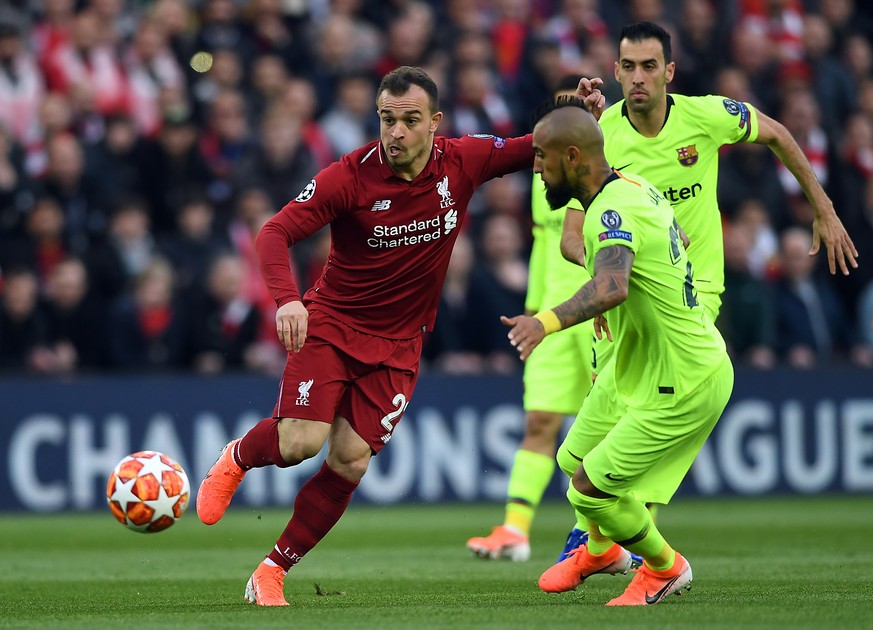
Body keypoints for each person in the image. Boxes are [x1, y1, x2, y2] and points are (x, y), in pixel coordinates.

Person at [194, 65, 535, 607]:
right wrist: (287, 299)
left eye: (409, 120)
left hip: (400, 344)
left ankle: (270, 572)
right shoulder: (349, 177)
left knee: (350, 459)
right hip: (333, 324)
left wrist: (579, 112)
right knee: (299, 444)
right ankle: (237, 456)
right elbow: (275, 231)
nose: (395, 132)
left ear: (434, 123)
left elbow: (532, 147)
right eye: (386, 119)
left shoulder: (463, 159)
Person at [556, 19, 858, 557]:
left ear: (669, 71)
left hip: (697, 291)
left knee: (655, 399)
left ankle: (607, 544)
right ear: (615, 71)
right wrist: (599, 279)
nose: (639, 77)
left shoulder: (708, 115)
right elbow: (573, 237)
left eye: (650, 66)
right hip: (626, 299)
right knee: (604, 421)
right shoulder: (603, 135)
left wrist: (824, 208)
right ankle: (605, 537)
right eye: (628, 67)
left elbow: (778, 134)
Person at [503, 98, 733, 606]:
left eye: (541, 157)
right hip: (648, 360)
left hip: (683, 375)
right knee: (571, 455)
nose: (535, 168)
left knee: (586, 487)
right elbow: (653, 252)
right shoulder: (628, 186)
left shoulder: (614, 207)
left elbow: (612, 287)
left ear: (571, 157)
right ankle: (603, 552)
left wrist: (543, 322)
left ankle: (664, 567)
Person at [466, 76, 600, 562]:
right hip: (548, 318)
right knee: (540, 421)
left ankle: (594, 535)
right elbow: (547, 250)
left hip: (594, 313)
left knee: (604, 431)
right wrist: (532, 308)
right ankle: (516, 530)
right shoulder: (544, 181)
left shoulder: (610, 172)